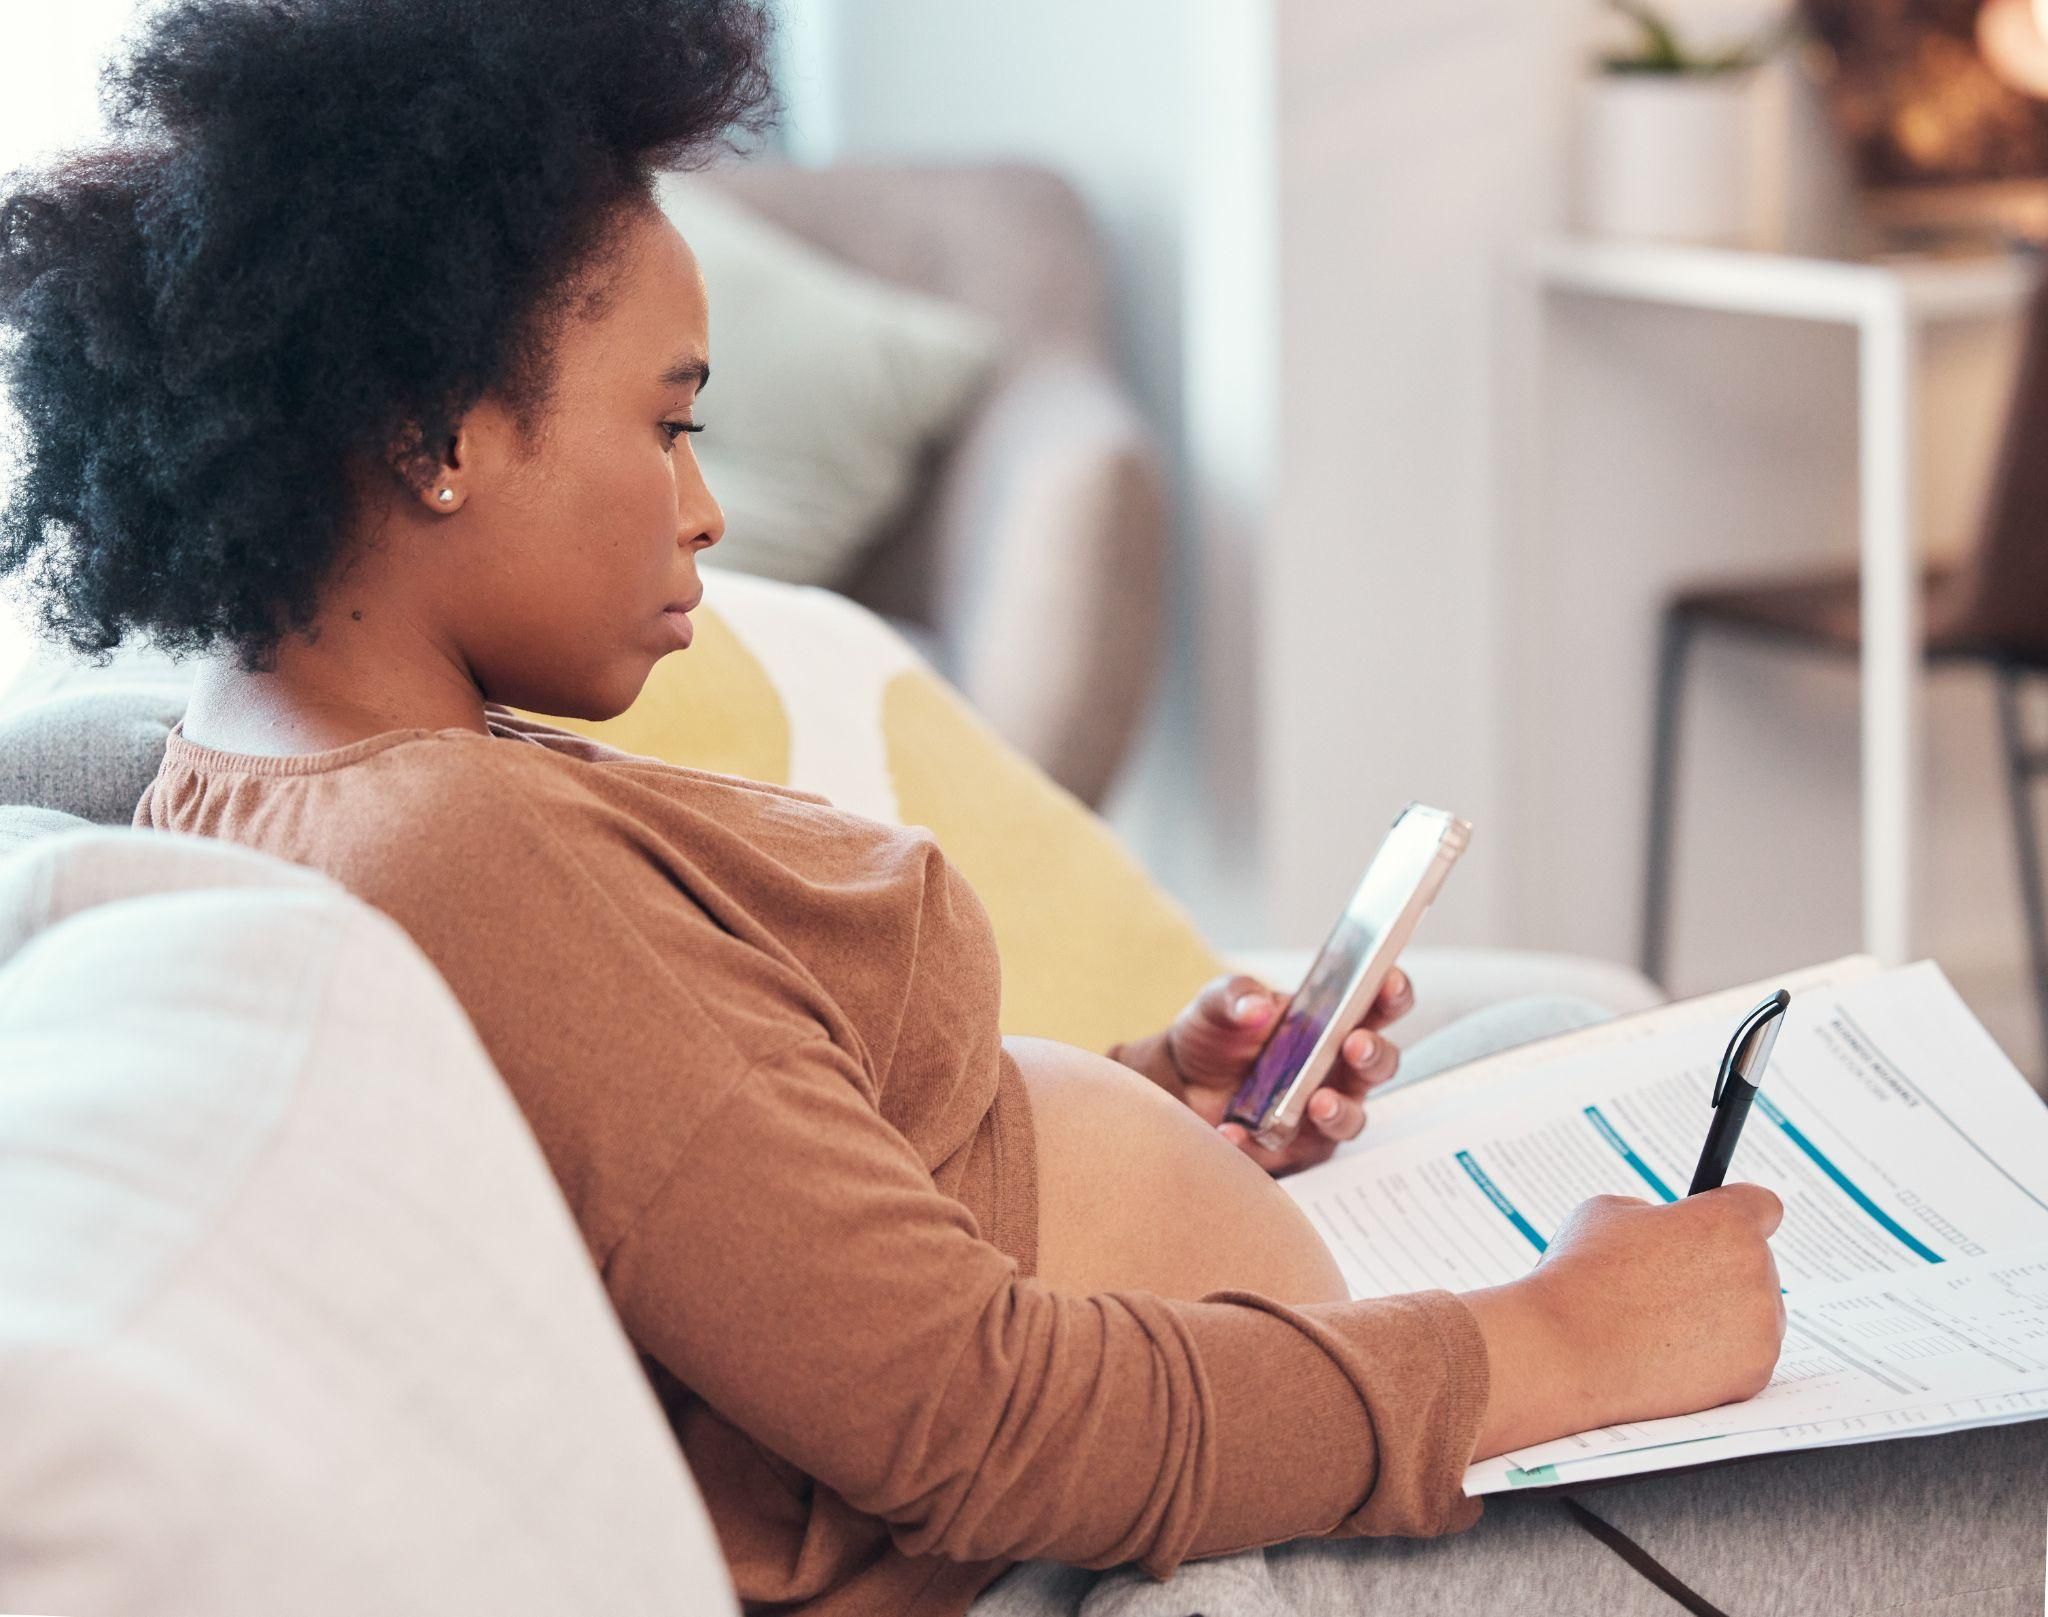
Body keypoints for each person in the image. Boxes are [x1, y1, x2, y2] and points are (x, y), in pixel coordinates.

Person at [2, 5, 2035, 1615]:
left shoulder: (278, 782)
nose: (708, 501)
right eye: (670, 419)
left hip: (1194, 1360)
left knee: (1600, 1048)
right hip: (1143, 1513)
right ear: (436, 435)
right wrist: (1560, 1343)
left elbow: (739, 1194)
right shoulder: (444, 854)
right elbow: (971, 1422)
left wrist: (1160, 1087)